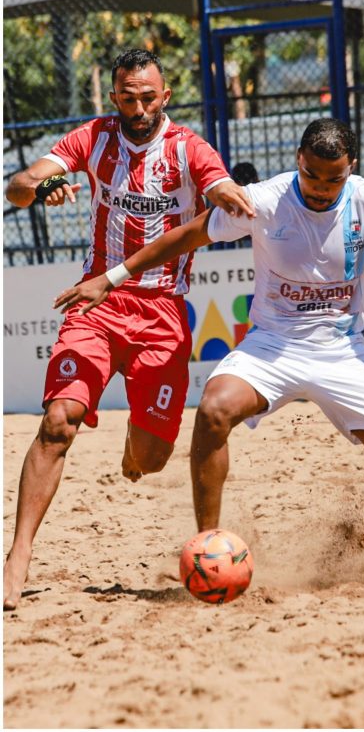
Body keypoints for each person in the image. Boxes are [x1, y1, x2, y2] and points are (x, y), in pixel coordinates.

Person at [3, 48, 253, 611]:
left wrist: (228, 194)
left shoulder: (188, 147)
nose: (137, 107)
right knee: (57, 422)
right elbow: (17, 185)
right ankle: (17, 557)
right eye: (127, 97)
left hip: (163, 315)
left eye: (148, 97)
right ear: (112, 97)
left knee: (152, 458)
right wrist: (40, 188)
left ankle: (134, 450)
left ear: (165, 96)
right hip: (96, 301)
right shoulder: (93, 137)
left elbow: (216, 185)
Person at [53, 117, 364, 541]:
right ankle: (208, 543)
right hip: (272, 344)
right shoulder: (264, 200)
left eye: (333, 179)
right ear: (298, 160)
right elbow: (185, 236)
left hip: (343, 347)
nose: (319, 187)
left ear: (351, 166)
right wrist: (109, 279)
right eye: (310, 174)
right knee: (212, 411)